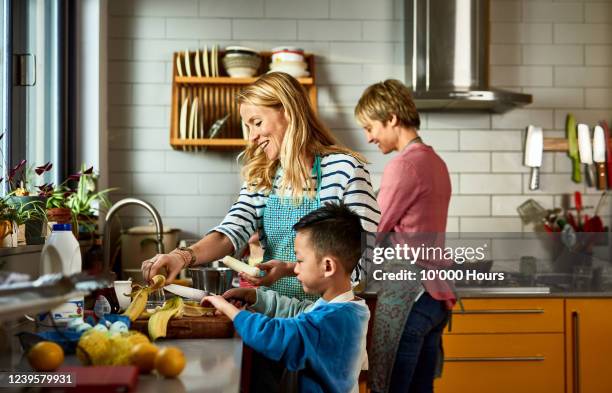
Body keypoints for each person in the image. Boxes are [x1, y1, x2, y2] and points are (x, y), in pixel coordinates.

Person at [142, 72, 380, 302]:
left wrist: (295, 272)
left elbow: (366, 256)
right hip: (273, 316)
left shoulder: (345, 169)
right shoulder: (263, 176)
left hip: (326, 320)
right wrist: (180, 257)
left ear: (288, 112)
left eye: (257, 123)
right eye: (248, 127)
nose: (252, 137)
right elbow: (231, 232)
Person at [354, 79, 456, 393]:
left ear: (392, 118)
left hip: (408, 296)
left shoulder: (404, 165)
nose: (369, 137)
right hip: (434, 298)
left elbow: (374, 228)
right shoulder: (435, 162)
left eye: (370, 127)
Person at [203, 203, 370, 393]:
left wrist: (227, 309)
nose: (295, 269)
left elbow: (273, 335)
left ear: (328, 266)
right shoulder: (349, 308)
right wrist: (255, 296)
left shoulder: (329, 321)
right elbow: (298, 311)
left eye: (300, 261)